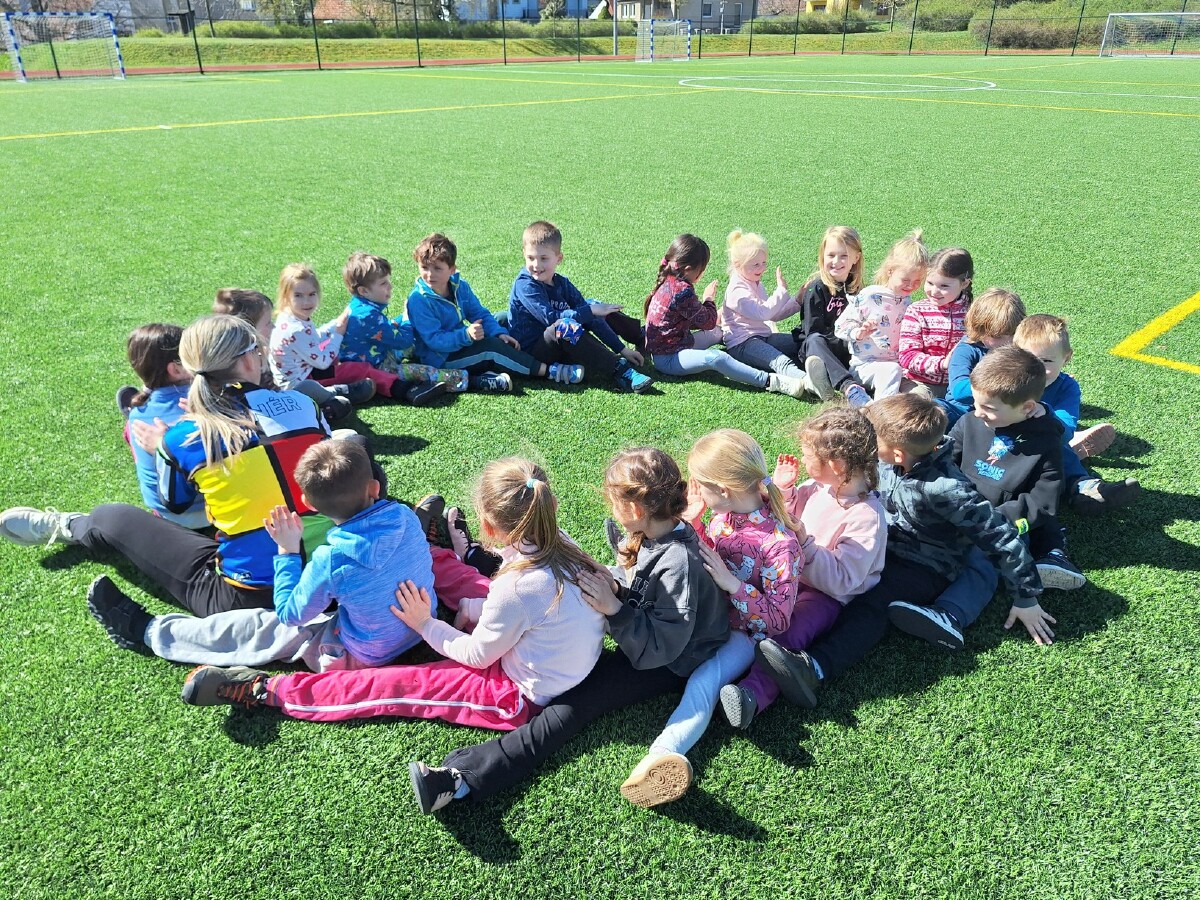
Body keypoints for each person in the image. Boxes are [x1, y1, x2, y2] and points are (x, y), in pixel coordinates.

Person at [180, 458, 607, 745]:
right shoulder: (559, 541)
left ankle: (267, 690)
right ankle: (440, 550)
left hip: (516, 693)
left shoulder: (517, 588)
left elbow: (479, 655)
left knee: (396, 686)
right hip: (543, 649)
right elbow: (524, 603)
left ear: (489, 528)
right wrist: (474, 609)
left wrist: (426, 624)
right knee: (466, 583)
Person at [406, 448, 729, 815]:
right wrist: (617, 587)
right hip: (643, 637)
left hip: (672, 661)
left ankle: (459, 779)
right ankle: (467, 555)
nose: (610, 510)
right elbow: (644, 590)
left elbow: (664, 645)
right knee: (569, 697)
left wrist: (615, 608)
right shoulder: (651, 534)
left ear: (635, 510)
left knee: (569, 712)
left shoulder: (677, 563)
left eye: (612, 502)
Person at [0, 315, 336, 622]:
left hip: (249, 597)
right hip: (335, 577)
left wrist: (164, 447)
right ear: (249, 359)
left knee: (113, 516)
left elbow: (174, 503)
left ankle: (72, 526)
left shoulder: (180, 438)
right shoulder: (305, 404)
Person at [755, 394, 1050, 709]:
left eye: (873, 440)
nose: (866, 446)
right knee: (842, 594)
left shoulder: (948, 489)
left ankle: (814, 667)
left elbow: (1000, 536)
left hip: (924, 565)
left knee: (872, 605)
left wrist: (1026, 597)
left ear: (896, 453)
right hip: (884, 545)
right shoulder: (892, 458)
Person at [92, 440, 436, 673]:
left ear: (309, 504)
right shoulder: (405, 516)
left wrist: (287, 550)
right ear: (375, 487)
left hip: (365, 654)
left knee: (262, 628)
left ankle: (147, 630)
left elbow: (289, 614)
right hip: (423, 626)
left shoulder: (331, 560)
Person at [606, 429, 804, 807]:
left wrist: (734, 586)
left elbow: (778, 621)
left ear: (724, 490)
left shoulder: (780, 545)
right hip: (707, 617)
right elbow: (704, 558)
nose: (692, 491)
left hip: (742, 634)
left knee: (704, 682)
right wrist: (694, 526)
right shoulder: (723, 516)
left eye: (700, 484)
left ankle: (662, 755)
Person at [720, 408, 887, 728]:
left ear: (836, 466)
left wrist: (805, 545)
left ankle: (751, 695)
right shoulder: (819, 487)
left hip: (823, 596)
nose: (802, 458)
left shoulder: (866, 517)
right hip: (790, 575)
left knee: (789, 634)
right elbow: (788, 515)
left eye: (808, 455)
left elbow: (842, 581)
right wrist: (786, 491)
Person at [949, 346, 1085, 593]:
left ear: (1027, 407)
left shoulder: (1045, 443)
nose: (978, 413)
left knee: (986, 559)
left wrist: (997, 520)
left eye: (989, 408)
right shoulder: (969, 421)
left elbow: (1043, 502)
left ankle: (951, 610)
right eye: (975, 403)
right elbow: (945, 464)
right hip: (959, 514)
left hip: (1003, 524)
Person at [645, 233, 805, 397]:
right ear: (688, 269)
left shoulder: (670, 277)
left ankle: (742, 347)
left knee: (719, 332)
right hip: (669, 357)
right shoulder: (681, 291)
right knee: (717, 358)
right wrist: (709, 299)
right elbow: (708, 322)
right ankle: (771, 381)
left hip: (680, 342)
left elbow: (688, 319)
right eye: (702, 269)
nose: (703, 272)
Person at [1013, 314, 1140, 515]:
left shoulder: (1067, 387)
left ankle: (1083, 489)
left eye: (1047, 360)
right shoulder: (1006, 379)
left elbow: (1065, 430)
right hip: (1003, 443)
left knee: (1059, 450)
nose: (1037, 368)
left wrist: (1045, 413)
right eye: (1030, 359)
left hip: (1043, 445)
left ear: (1066, 358)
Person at [406, 233, 564, 393]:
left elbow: (479, 313)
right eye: (424, 267)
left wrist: (499, 333)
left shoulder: (459, 286)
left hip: (458, 344)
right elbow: (434, 340)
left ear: (452, 270)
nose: (429, 274)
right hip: (440, 359)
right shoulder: (419, 299)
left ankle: (526, 353)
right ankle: (548, 370)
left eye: (437, 268)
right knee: (491, 348)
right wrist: (466, 335)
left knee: (502, 319)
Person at [507, 220, 651, 393]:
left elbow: (589, 315)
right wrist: (589, 311)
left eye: (544, 258)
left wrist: (621, 348)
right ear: (524, 254)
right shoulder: (525, 284)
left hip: (558, 348)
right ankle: (621, 370)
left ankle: (640, 338)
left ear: (559, 258)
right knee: (566, 326)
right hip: (533, 354)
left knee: (592, 306)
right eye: (531, 258)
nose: (536, 265)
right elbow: (550, 319)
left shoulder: (561, 283)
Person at [337, 251, 455, 406]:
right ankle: (467, 379)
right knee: (424, 371)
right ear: (363, 291)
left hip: (378, 354)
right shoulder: (367, 316)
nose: (390, 286)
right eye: (383, 283)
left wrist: (403, 320)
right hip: (377, 367)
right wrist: (407, 316)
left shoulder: (361, 306)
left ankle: (444, 350)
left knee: (417, 336)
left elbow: (387, 329)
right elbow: (404, 341)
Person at [120, 324, 207, 530]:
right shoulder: (206, 401)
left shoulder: (137, 416)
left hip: (166, 513)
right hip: (212, 508)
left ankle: (135, 401)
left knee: (131, 429)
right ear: (176, 369)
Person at [268, 263, 376, 420]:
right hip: (298, 385)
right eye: (298, 295)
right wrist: (338, 334)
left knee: (331, 350)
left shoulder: (289, 316)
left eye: (311, 294)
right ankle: (340, 392)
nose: (306, 301)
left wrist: (335, 324)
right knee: (326, 380)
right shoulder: (296, 329)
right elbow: (323, 362)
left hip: (300, 370)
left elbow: (313, 339)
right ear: (286, 296)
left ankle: (332, 395)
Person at [833, 229, 929, 400]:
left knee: (919, 394)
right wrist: (858, 332)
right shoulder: (869, 296)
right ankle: (881, 412)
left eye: (917, 282)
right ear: (890, 270)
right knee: (891, 370)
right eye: (905, 280)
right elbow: (840, 326)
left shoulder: (908, 302)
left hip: (898, 367)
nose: (911, 286)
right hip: (865, 365)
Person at [718, 230, 807, 387]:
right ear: (737, 264)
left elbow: (772, 315)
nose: (762, 268)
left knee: (802, 342)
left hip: (762, 336)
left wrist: (797, 301)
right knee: (781, 361)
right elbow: (763, 312)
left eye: (764, 262)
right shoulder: (737, 291)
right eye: (756, 264)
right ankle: (810, 383)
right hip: (742, 344)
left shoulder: (754, 281)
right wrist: (781, 290)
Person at [796, 225, 872, 408]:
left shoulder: (859, 290)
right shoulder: (816, 288)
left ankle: (823, 381)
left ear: (856, 258)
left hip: (848, 345)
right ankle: (849, 387)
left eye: (843, 256)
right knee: (815, 340)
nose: (836, 261)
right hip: (819, 347)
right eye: (831, 255)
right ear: (822, 256)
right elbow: (812, 331)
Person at [939, 287, 1027, 426]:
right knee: (936, 407)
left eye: (1013, 334)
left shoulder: (1021, 349)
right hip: (963, 410)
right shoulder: (967, 349)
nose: (1008, 341)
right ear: (979, 330)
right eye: (998, 336)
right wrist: (1003, 385)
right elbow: (959, 391)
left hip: (1002, 412)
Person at [899, 246, 974, 398]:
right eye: (930, 283)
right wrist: (942, 364)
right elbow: (907, 356)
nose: (934, 291)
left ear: (965, 283)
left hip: (959, 384)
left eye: (944, 286)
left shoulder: (974, 312)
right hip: (919, 383)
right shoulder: (917, 311)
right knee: (918, 405)